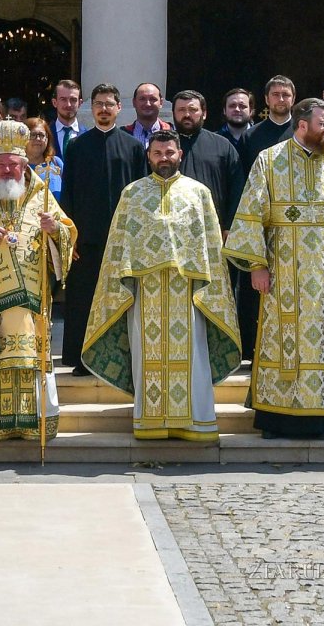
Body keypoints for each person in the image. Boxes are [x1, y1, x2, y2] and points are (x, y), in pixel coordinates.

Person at [82, 131, 242, 441]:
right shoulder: (132, 194)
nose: (164, 158)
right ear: (149, 156)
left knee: (192, 355)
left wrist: (211, 287)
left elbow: (211, 246)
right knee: (147, 355)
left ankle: (195, 422)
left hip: (189, 291)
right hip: (145, 291)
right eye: (157, 153)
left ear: (180, 154)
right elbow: (118, 246)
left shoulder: (199, 193)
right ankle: (151, 422)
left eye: (169, 152)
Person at [224, 99, 324, 439]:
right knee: (280, 343)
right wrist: (256, 265)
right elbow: (251, 214)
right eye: (323, 123)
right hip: (282, 271)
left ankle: (321, 419)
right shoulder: (269, 160)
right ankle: (275, 418)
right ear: (303, 125)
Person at [0, 120, 77, 441]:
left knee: (29, 354)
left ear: (24, 165)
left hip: (32, 298)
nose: (7, 170)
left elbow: (66, 232)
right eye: (1, 165)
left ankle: (33, 421)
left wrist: (55, 231)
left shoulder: (41, 196)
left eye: (14, 164)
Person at [59, 83, 147, 375]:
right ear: (91, 107)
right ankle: (83, 359)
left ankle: (121, 359)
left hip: (123, 240)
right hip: (85, 241)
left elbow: (142, 195)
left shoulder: (134, 147)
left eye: (109, 104)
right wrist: (70, 237)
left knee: (121, 298)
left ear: (119, 108)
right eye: (99, 104)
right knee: (83, 299)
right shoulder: (77, 147)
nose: (104, 109)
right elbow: (68, 194)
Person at [231, 75, 296, 363]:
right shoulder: (251, 136)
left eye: (286, 94)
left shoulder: (301, 131)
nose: (281, 99)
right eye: (276, 94)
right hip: (261, 224)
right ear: (267, 100)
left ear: (293, 98)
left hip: (295, 229)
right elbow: (244, 183)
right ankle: (254, 350)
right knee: (256, 290)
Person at [171, 90, 246, 237]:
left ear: (204, 113)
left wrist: (230, 226)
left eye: (193, 109)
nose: (187, 114)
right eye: (181, 110)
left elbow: (237, 188)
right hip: (173, 227)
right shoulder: (163, 147)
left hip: (214, 228)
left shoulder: (222, 145)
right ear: (173, 113)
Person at [24, 117, 63, 202]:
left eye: (41, 135)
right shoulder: (18, 167)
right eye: (32, 135)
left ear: (47, 139)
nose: (38, 139)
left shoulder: (56, 163)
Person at [122, 82, 171, 146]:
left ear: (161, 103)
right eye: (142, 99)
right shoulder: (121, 135)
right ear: (134, 102)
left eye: (153, 99)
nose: (148, 104)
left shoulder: (173, 132)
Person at [47, 79, 82, 159]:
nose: (68, 104)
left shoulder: (87, 136)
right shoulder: (46, 134)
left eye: (73, 100)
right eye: (63, 99)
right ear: (54, 103)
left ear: (80, 103)